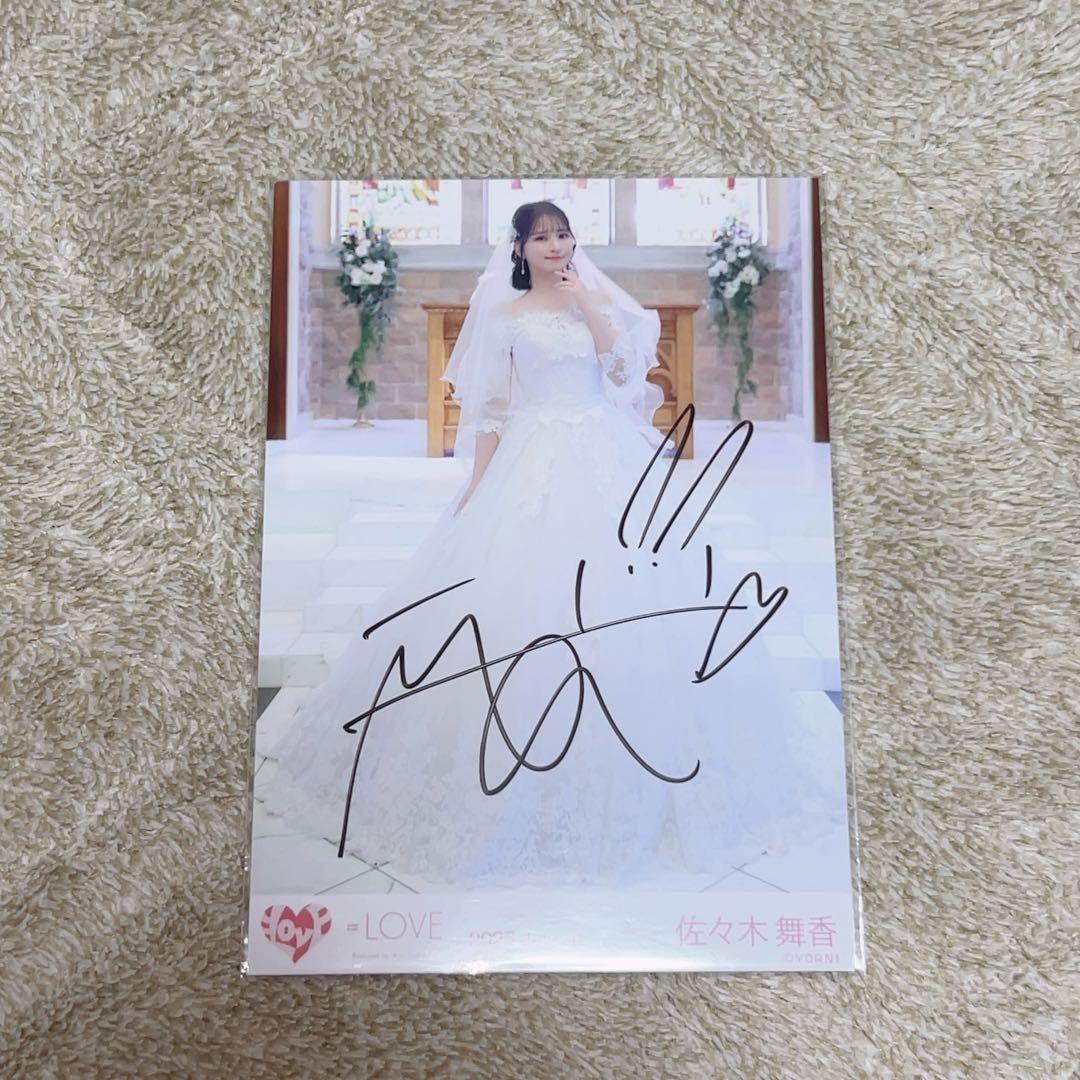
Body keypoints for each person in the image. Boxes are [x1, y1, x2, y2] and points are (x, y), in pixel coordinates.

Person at [257, 201, 846, 891]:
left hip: (605, 453)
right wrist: (476, 486)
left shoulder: (594, 300)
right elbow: (489, 410)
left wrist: (589, 304)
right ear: (519, 248)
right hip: (533, 458)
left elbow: (624, 374)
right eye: (543, 238)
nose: (557, 246)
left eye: (564, 235)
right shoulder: (504, 317)